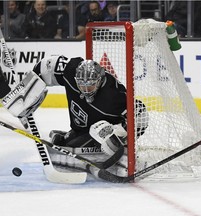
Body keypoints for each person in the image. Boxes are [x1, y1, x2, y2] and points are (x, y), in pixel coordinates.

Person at [0, 56, 148, 177]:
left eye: (89, 86)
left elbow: (140, 113)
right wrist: (26, 91)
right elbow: (46, 66)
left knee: (96, 133)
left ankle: (122, 153)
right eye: (81, 85)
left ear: (99, 81)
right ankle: (72, 137)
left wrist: (119, 133)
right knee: (62, 144)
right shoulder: (71, 71)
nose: (85, 90)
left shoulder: (112, 96)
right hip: (82, 129)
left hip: (103, 133)